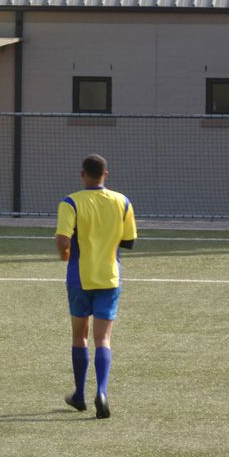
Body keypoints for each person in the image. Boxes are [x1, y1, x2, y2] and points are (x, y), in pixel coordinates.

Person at [55, 154, 137, 419]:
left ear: (83, 174)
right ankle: (101, 392)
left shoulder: (71, 202)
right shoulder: (122, 201)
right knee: (103, 338)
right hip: (110, 277)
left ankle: (79, 394)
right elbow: (129, 241)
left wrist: (66, 255)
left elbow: (62, 238)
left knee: (80, 336)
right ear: (106, 174)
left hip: (80, 278)